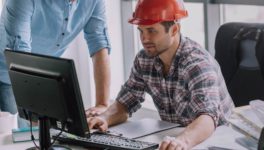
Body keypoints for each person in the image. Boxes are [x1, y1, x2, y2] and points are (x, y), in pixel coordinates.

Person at [87, 0, 235, 149]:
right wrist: (104, 118)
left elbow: (207, 119)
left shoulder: (196, 64)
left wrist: (182, 141)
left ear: (174, 30)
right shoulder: (144, 59)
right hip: (178, 136)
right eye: (141, 31)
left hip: (215, 140)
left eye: (151, 31)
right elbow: (125, 103)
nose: (144, 39)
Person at [0, 0, 111, 128]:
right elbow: (20, 51)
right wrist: (34, 106)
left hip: (37, 74)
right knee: (16, 137)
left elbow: (99, 44)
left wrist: (102, 105)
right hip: (8, 72)